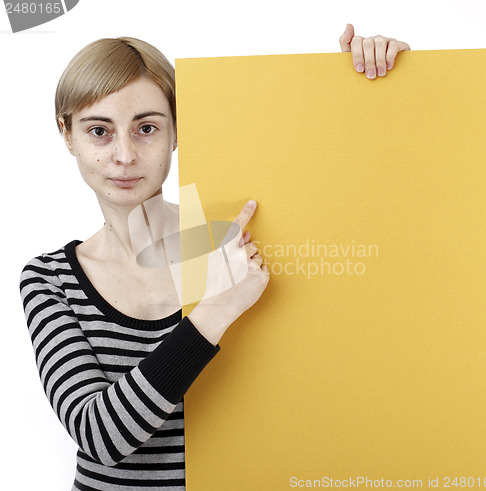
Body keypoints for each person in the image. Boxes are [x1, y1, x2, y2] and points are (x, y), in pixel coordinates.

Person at [19, 24, 410, 491]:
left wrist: (381, 82)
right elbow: (101, 437)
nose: (124, 155)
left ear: (178, 130)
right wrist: (217, 310)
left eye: (147, 128)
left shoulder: (243, 245)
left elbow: (374, 243)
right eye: (99, 131)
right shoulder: (50, 278)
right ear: (67, 135)